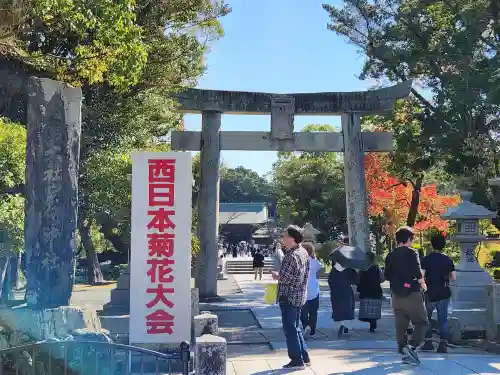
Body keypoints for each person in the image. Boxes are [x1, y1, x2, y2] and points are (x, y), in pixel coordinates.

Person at [385, 226, 428, 366]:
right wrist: (423, 284)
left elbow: (386, 275)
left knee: (401, 325)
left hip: (396, 295)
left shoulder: (390, 255)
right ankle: (412, 347)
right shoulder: (412, 253)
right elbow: (417, 273)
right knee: (422, 322)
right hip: (412, 293)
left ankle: (403, 351)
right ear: (409, 239)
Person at [271, 225, 311, 369]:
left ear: (292, 238)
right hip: (300, 294)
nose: (283, 238)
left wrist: (277, 275)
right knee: (296, 326)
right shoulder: (303, 251)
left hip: (289, 295)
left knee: (290, 328)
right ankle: (304, 356)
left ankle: (296, 359)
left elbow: (286, 278)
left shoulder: (291, 256)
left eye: (285, 235)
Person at [421, 233, 456, 353]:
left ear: (432, 244)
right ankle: (443, 344)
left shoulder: (427, 259)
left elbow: (422, 275)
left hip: (430, 292)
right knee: (443, 318)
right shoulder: (447, 260)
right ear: (444, 245)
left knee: (427, 318)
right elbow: (453, 277)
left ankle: (428, 341)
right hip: (444, 291)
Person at [328, 241, 358, 339]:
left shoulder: (334, 269)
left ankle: (341, 324)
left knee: (338, 309)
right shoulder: (349, 268)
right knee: (347, 308)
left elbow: (330, 281)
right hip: (346, 291)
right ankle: (346, 325)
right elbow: (355, 280)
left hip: (336, 292)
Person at [300, 242, 324, 338]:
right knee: (313, 312)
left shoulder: (300, 260)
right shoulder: (315, 261)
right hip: (314, 289)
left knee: (302, 311)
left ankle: (306, 325)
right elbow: (320, 269)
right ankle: (312, 329)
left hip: (303, 289)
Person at [357, 252, 384, 332]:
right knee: (373, 310)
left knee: (366, 310)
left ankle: (371, 322)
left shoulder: (362, 269)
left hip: (365, 292)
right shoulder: (377, 268)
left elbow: (357, 280)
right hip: (375, 292)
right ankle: (373, 323)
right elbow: (382, 278)